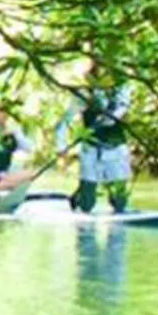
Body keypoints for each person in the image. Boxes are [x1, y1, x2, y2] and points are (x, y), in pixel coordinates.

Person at [57, 70, 133, 213]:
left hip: (116, 148)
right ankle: (80, 199)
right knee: (87, 203)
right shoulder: (83, 95)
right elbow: (65, 121)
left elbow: (115, 116)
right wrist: (61, 146)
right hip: (91, 150)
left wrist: (103, 119)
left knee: (119, 200)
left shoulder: (122, 91)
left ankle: (118, 212)